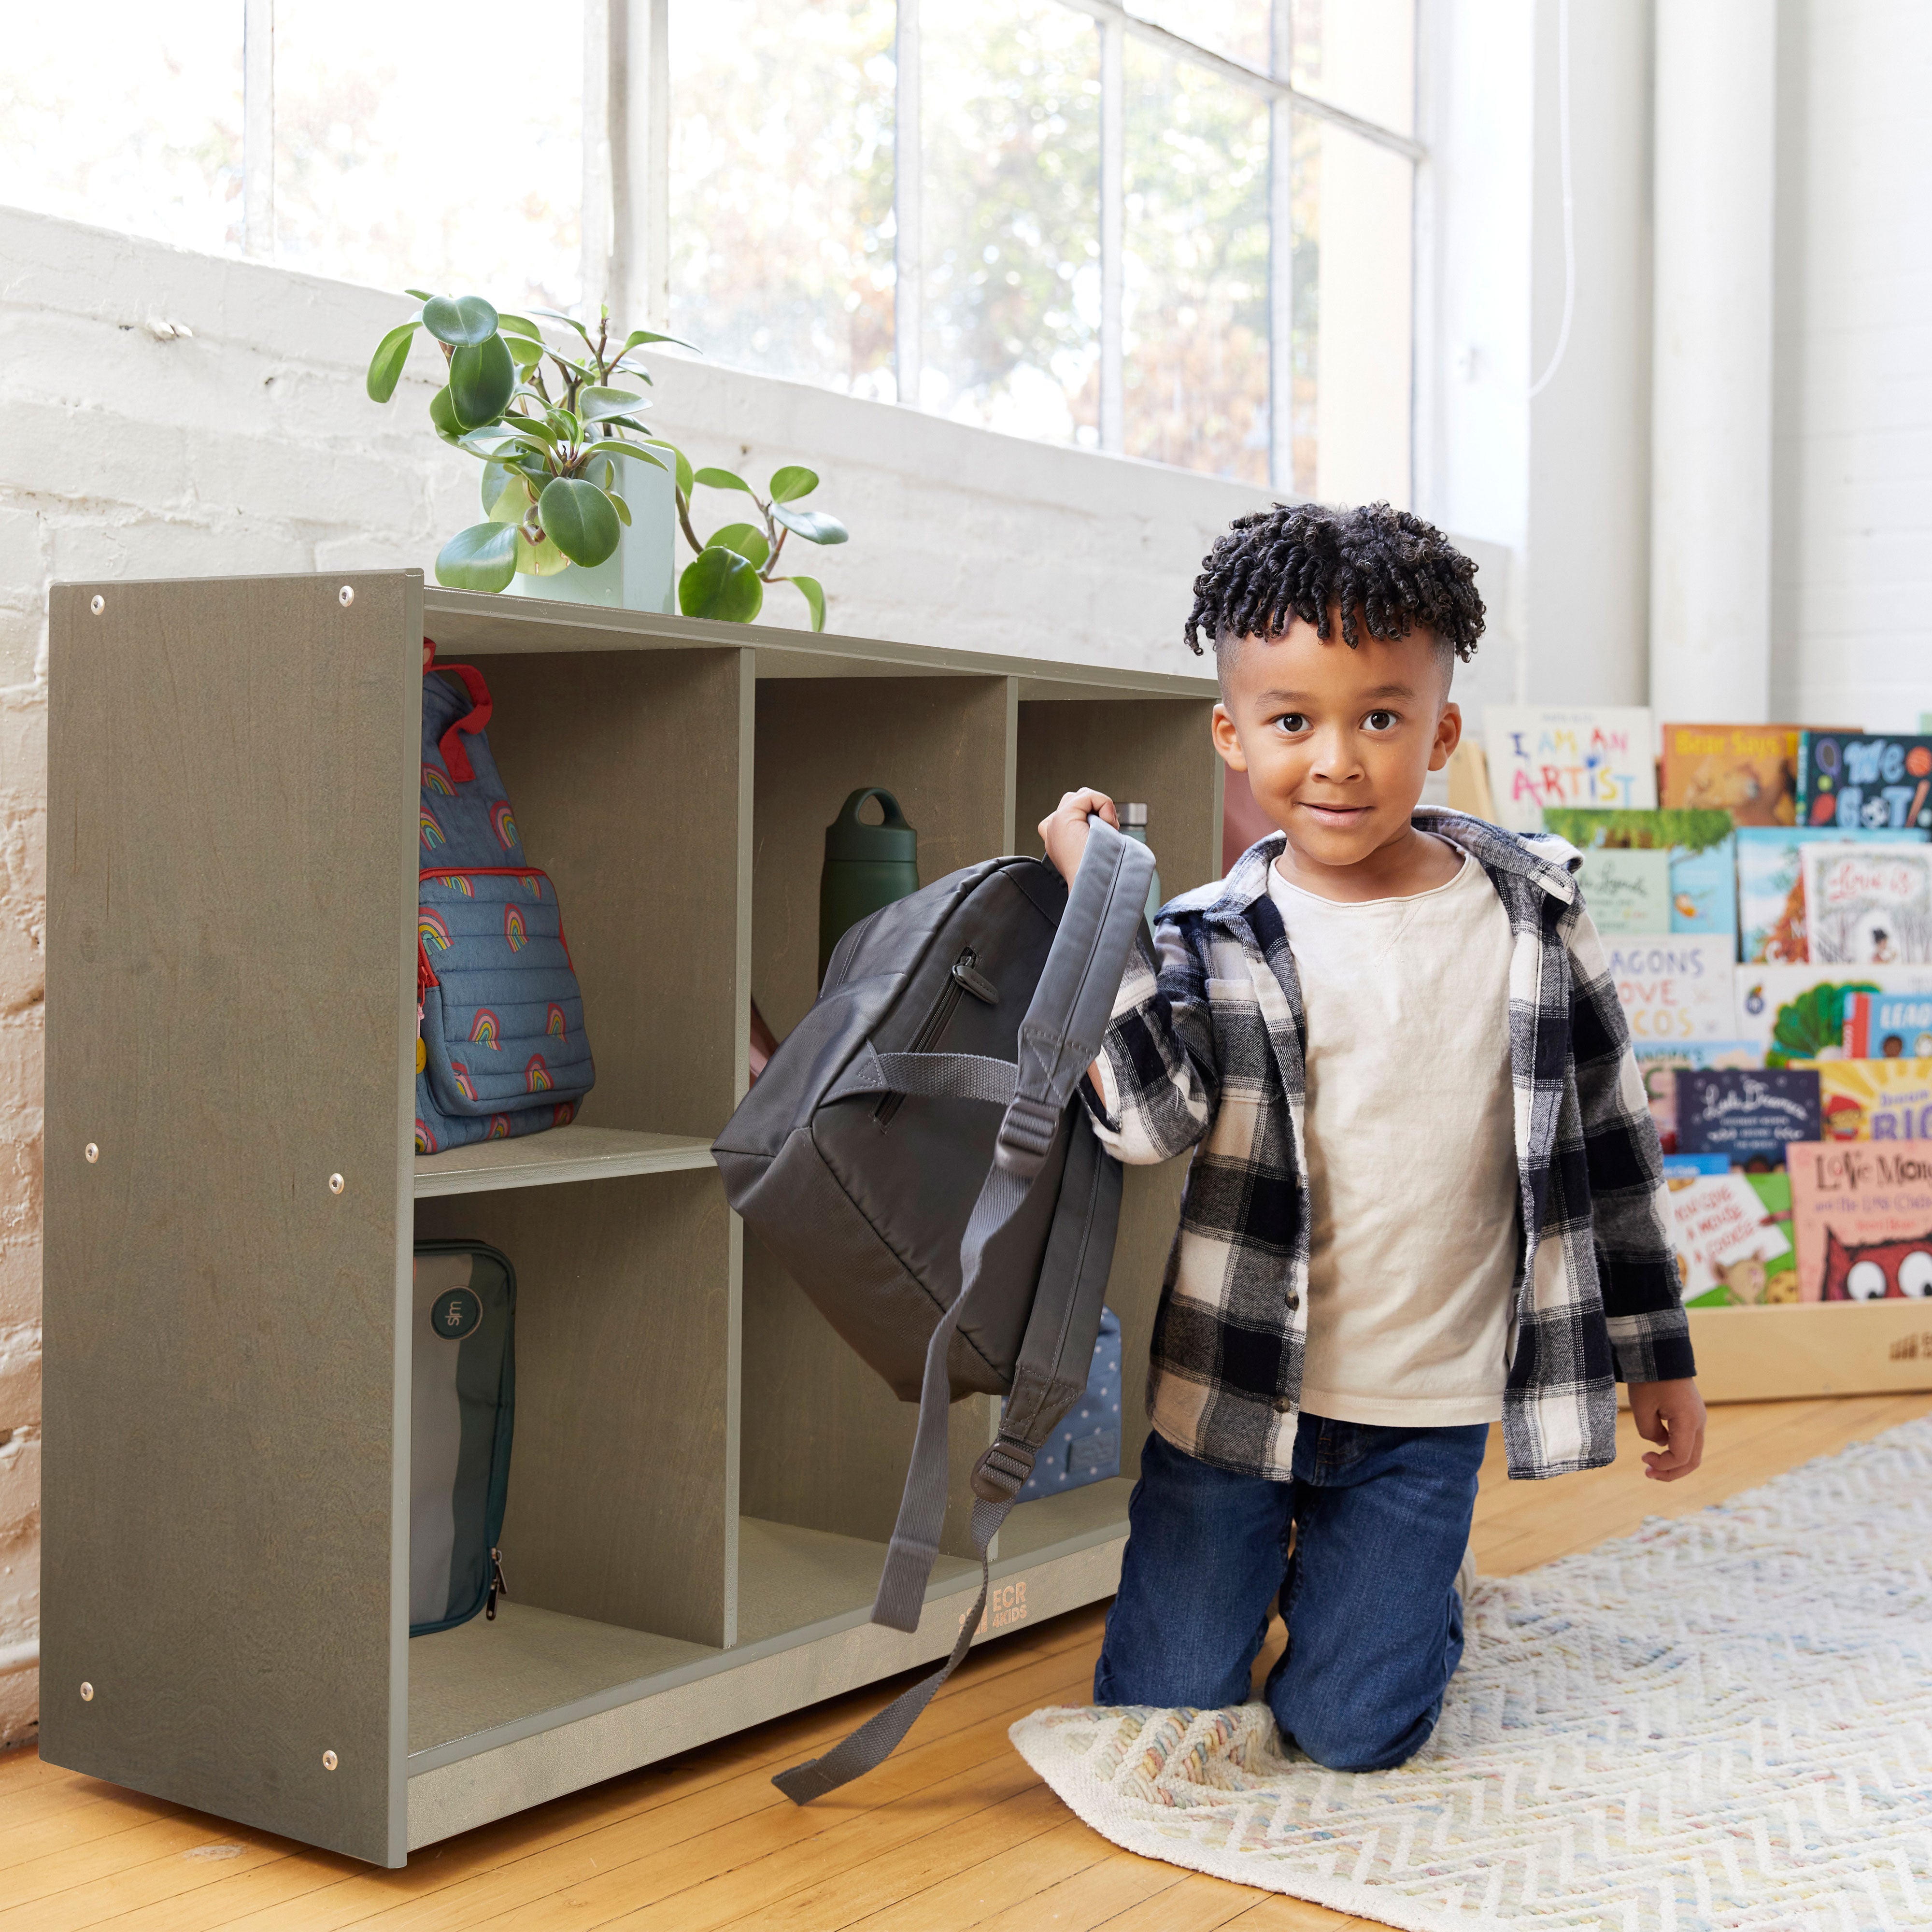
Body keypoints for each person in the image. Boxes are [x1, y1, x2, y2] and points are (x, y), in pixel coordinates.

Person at [1038, 500, 1705, 1775]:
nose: (1337, 761)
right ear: (1232, 734)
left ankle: (1394, 1611)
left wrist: (1657, 1356)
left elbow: (1615, 1149)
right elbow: (1144, 1125)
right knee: (1160, 1724)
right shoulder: (1202, 938)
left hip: (1427, 1410)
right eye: (1294, 721)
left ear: (1441, 729)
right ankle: (1299, 1592)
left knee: (1355, 1738)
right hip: (1233, 1399)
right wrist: (1099, 908)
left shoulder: (1533, 919)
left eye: (1381, 718)